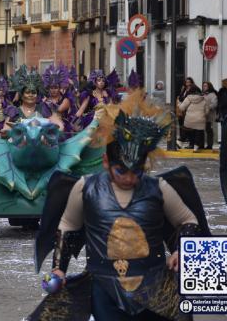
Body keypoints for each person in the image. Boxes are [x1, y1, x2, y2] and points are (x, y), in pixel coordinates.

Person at [31, 90, 206, 321]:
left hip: (155, 287)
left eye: (136, 171)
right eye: (121, 170)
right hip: (104, 287)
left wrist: (182, 250)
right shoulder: (85, 188)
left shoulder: (160, 187)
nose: (129, 178)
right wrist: (58, 268)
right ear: (106, 162)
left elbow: (188, 220)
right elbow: (68, 225)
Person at [41, 64, 72, 134]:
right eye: (51, 88)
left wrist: (47, 103)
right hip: (49, 128)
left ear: (59, 88)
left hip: (63, 129)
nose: (53, 90)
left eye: (56, 88)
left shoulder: (65, 100)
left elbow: (59, 109)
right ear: (48, 89)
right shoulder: (45, 100)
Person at [179, 86, 208, 152]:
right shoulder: (203, 99)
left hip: (189, 118)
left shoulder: (188, 98)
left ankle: (180, 142)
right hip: (200, 119)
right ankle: (196, 147)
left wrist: (179, 104)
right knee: (199, 133)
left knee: (186, 129)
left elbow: (182, 108)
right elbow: (207, 111)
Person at [176, 77, 196, 144]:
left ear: (191, 82)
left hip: (188, 109)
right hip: (182, 108)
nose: (187, 83)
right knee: (182, 123)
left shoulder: (193, 89)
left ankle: (186, 138)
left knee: (187, 125)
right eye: (186, 82)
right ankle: (183, 137)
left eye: (189, 82)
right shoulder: (184, 89)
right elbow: (181, 97)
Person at [202, 81, 218, 150]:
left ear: (209, 86)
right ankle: (201, 144)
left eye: (205, 86)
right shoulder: (203, 94)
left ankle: (209, 145)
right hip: (202, 115)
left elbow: (214, 104)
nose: (204, 87)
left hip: (209, 115)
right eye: (203, 86)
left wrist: (208, 107)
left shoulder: (212, 94)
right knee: (203, 130)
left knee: (209, 130)